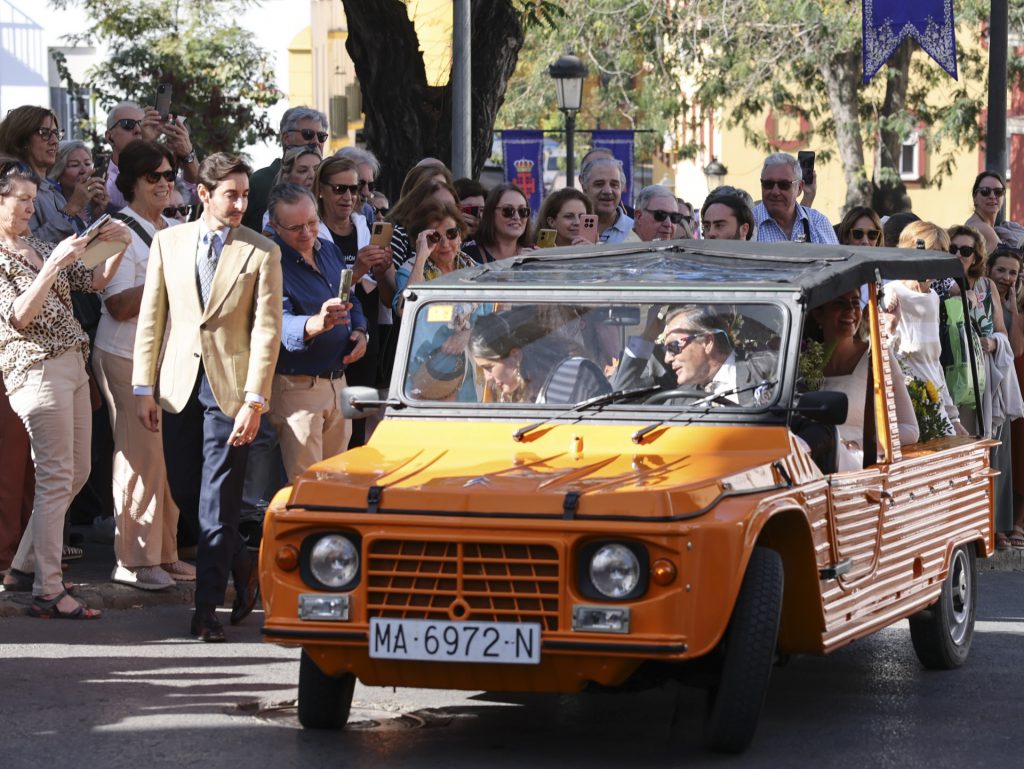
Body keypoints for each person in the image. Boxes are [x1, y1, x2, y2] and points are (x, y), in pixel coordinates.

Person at [132, 153, 282, 642]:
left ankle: (206, 612)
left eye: (245, 195)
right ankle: (241, 560)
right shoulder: (168, 242)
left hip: (232, 393)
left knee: (217, 503)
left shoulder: (261, 251)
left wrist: (255, 401)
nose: (240, 204)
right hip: (177, 388)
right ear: (203, 194)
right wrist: (143, 388)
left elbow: (266, 331)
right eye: (231, 195)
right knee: (184, 493)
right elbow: (152, 318)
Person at [0, 161, 131, 617]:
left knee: (75, 473)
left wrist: (116, 245)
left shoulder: (37, 245)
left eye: (33, 200)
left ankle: (23, 568)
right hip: (35, 368)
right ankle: (48, 589)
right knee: (57, 476)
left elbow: (94, 281)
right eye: (22, 200)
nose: (29, 208)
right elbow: (19, 316)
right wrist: (53, 263)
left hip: (73, 364)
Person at [91, 140, 194, 590]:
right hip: (123, 355)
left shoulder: (177, 228)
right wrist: (165, 278)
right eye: (155, 176)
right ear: (132, 181)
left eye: (170, 175)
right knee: (139, 456)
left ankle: (164, 554)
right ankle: (133, 560)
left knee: (165, 458)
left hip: (165, 360)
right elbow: (113, 304)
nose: (165, 183)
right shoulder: (111, 230)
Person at [265, 183, 368, 481]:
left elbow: (351, 297)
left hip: (338, 383)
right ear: (275, 227)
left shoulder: (329, 250)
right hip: (298, 388)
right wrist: (318, 323)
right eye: (296, 227)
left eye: (312, 223)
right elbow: (280, 324)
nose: (307, 233)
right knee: (308, 486)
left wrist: (360, 330)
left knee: (336, 484)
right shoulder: (270, 264)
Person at [314, 155, 392, 448]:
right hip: (328, 338)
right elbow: (321, 291)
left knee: (358, 425)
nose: (349, 197)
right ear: (321, 190)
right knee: (327, 430)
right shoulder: (312, 231)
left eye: (354, 188)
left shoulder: (363, 225)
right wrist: (357, 271)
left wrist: (382, 269)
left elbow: (387, 295)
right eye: (340, 189)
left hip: (364, 335)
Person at [812, 290, 919, 471]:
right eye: (839, 303)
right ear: (818, 313)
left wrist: (854, 445)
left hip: (860, 470)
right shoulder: (804, 361)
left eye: (855, 303)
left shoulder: (876, 357)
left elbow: (909, 429)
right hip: (810, 471)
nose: (850, 311)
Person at [614, 304, 774, 406]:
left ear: (708, 342)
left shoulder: (767, 370)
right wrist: (646, 338)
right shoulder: (679, 399)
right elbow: (620, 402)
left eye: (673, 347)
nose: (667, 358)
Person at [0, 107, 108, 243]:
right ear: (22, 140)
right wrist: (73, 207)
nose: (55, 141)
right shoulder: (14, 187)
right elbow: (26, 245)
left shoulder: (53, 191)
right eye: (44, 133)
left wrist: (96, 214)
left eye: (56, 133)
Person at [468, 308, 596, 403]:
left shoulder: (570, 381)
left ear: (515, 356)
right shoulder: (514, 393)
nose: (488, 378)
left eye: (489, 368)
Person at [987, 245, 1024, 548]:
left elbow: (1016, 350)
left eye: (1013, 273)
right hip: (982, 386)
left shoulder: (1014, 307)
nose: (1007, 277)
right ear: (988, 269)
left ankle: (1000, 524)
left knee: (1002, 459)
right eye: (1001, 270)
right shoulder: (981, 295)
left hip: (1003, 389)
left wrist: (1013, 312)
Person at [242, 106, 327, 232]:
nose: (316, 142)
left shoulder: (329, 181)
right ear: (286, 138)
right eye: (308, 134)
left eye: (321, 136)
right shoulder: (259, 182)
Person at [104, 101, 199, 211]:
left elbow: (197, 194)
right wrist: (144, 143)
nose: (138, 130)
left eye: (142, 123)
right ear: (109, 137)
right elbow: (131, 204)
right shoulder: (102, 180)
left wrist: (188, 154)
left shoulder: (161, 172)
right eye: (128, 124)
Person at [394, 198, 476, 316]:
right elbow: (405, 311)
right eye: (435, 237)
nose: (445, 244)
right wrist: (421, 258)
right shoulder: (408, 272)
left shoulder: (475, 268)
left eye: (451, 233)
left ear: (459, 235)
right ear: (421, 240)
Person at [753, 152, 838, 244]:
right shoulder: (749, 222)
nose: (775, 192)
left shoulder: (817, 223)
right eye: (768, 184)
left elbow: (834, 253)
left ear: (799, 188)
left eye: (784, 185)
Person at [463, 182, 533, 263]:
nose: (517, 217)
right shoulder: (467, 257)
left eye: (523, 211)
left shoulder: (535, 256)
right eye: (508, 210)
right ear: (491, 213)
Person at [49, 140, 110, 227]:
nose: (84, 170)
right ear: (59, 172)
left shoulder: (93, 204)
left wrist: (97, 216)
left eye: (87, 164)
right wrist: (72, 207)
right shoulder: (49, 203)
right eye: (75, 165)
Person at [580, 156, 638, 244]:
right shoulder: (571, 227)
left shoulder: (635, 231)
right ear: (584, 186)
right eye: (599, 184)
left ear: (622, 187)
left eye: (614, 184)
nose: (607, 191)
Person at [335, 145, 379, 223]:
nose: (366, 193)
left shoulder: (367, 212)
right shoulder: (315, 214)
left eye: (370, 185)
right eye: (359, 184)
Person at [966, 171, 1005, 254]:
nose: (992, 196)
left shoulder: (975, 223)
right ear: (975, 197)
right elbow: (1007, 259)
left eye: (998, 191)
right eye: (985, 191)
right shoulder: (981, 227)